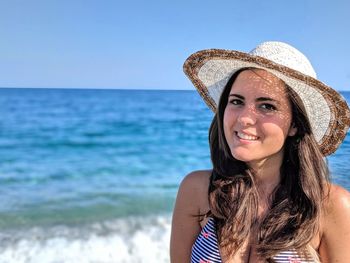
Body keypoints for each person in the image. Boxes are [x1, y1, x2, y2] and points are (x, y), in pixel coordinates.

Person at [170, 41, 350, 262]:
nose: (244, 118)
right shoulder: (197, 190)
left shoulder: (331, 206)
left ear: (295, 124)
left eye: (267, 106)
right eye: (236, 101)